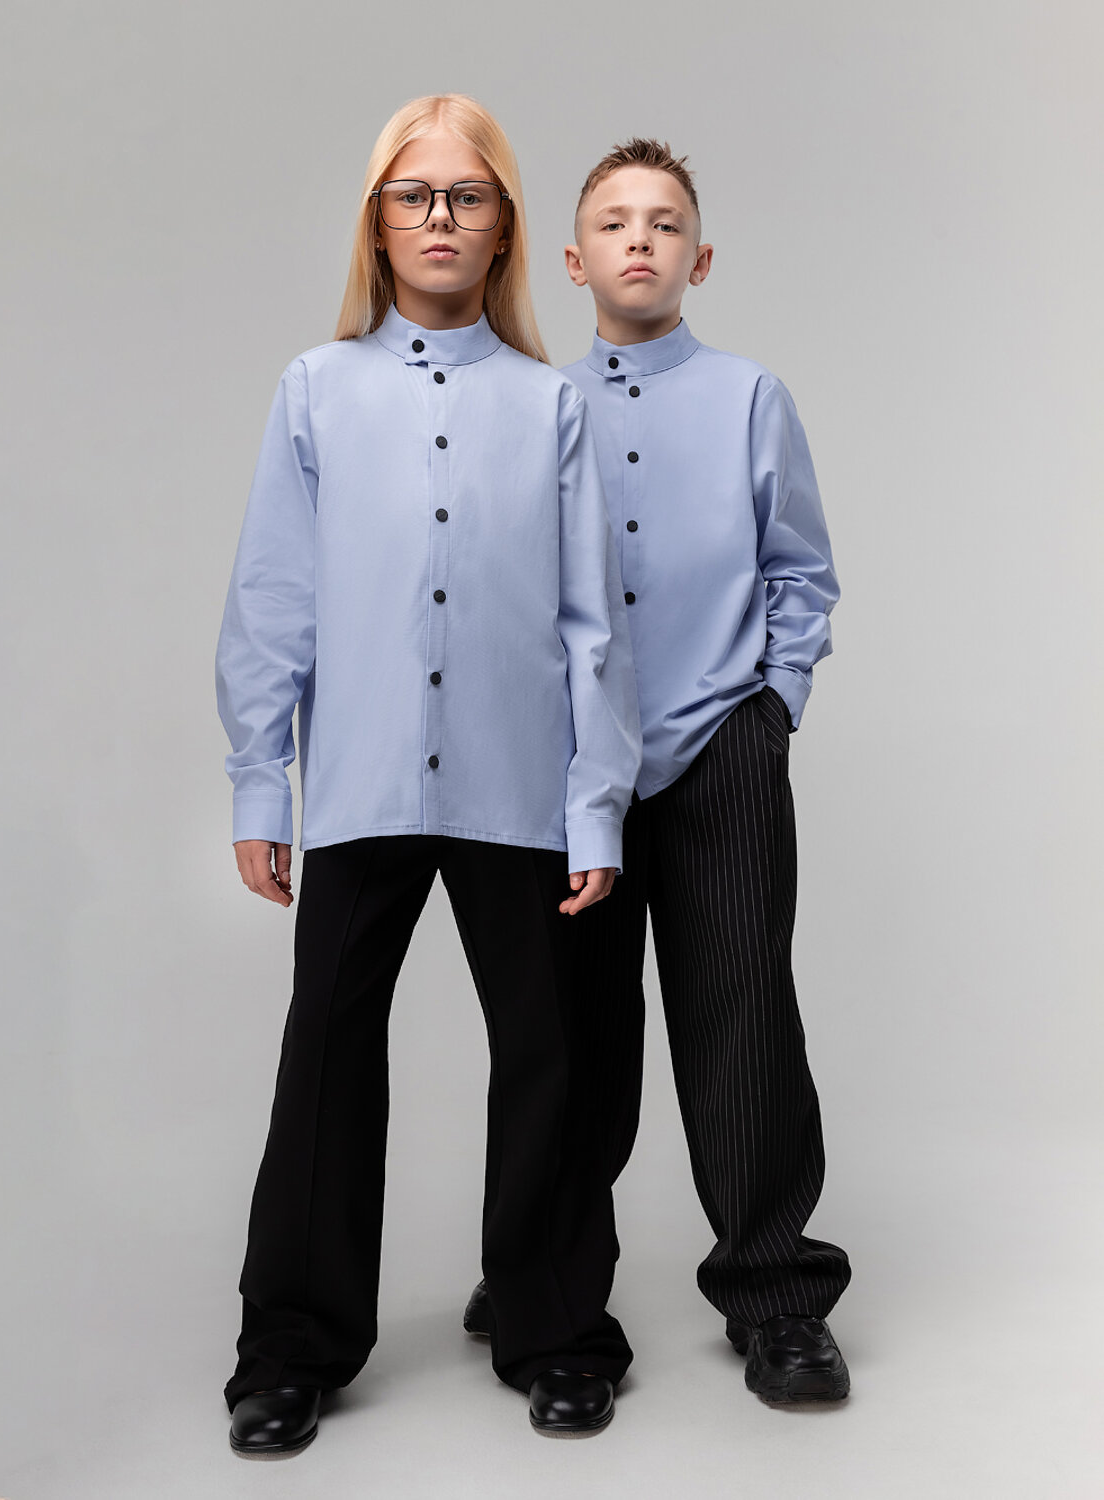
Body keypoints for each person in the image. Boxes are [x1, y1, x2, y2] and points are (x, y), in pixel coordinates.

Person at [214, 94, 641, 1455]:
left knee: (547, 1059)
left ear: (505, 223)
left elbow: (592, 624)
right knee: (327, 1059)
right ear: (379, 221)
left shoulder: (552, 405)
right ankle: (291, 1348)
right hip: (359, 783)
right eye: (414, 195)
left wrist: (595, 807)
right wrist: (259, 783)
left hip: (520, 787)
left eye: (466, 195)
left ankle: (555, 1331)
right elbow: (274, 597)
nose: (439, 218)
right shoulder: (316, 389)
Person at [462, 138, 852, 1404]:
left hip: (721, 747)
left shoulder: (751, 397)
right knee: (568, 1033)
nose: (641, 238)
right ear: (573, 261)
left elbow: (800, 572)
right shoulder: (534, 406)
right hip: (572, 765)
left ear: (700, 257)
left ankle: (777, 1296)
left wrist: (771, 708)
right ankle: (543, 1271)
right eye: (615, 223)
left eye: (666, 222)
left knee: (743, 1019)